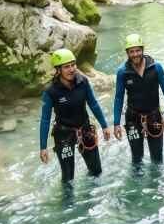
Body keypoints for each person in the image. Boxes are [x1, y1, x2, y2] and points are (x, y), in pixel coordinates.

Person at [38, 48, 112, 182]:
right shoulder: (51, 92)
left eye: (73, 65)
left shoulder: (83, 81)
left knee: (96, 171)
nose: (71, 69)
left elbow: (93, 104)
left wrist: (105, 126)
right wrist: (43, 147)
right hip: (64, 134)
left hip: (85, 130)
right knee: (68, 178)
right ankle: (68, 202)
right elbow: (45, 119)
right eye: (67, 67)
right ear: (58, 70)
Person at [113, 33, 164, 164]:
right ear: (127, 53)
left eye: (138, 50)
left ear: (142, 50)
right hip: (132, 119)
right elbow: (118, 98)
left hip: (154, 116)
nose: (135, 54)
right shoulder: (123, 72)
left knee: (157, 158)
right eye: (132, 51)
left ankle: (155, 184)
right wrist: (116, 123)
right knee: (136, 158)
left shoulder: (156, 67)